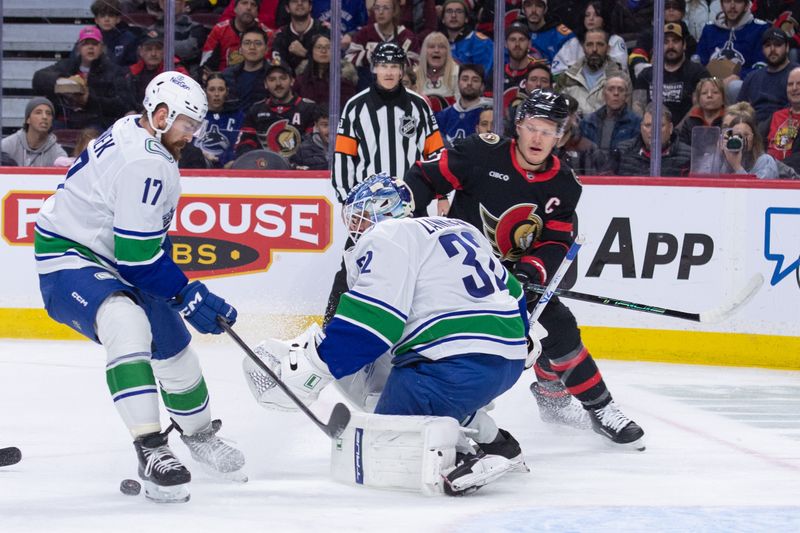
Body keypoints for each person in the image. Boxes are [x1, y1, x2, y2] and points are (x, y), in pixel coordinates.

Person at [33, 71, 246, 503]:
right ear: (162, 115)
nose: (192, 134)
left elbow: (138, 248)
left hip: (111, 254)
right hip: (71, 256)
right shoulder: (146, 161)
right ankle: (150, 449)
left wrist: (179, 297)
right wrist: (188, 293)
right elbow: (138, 258)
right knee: (127, 324)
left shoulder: (136, 125)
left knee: (172, 347)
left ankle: (199, 436)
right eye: (187, 123)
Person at [248, 173, 530, 495]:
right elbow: (515, 292)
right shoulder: (460, 228)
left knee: (387, 445)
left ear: (385, 210)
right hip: (503, 361)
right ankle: (496, 440)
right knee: (395, 375)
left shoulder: (387, 235)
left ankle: (469, 458)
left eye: (361, 216)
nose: (356, 226)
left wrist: (313, 367)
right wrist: (524, 334)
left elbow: (374, 323)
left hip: (452, 367)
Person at [403, 89, 646, 449]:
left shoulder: (564, 185)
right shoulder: (481, 153)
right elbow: (424, 177)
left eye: (549, 131)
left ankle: (598, 407)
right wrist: (412, 226)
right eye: (533, 127)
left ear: (560, 136)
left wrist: (532, 271)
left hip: (512, 282)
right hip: (454, 274)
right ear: (518, 125)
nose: (538, 138)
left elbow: (555, 241)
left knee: (558, 326)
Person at [326, 41, 444, 323]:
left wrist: (441, 194)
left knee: (421, 270)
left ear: (403, 70)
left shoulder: (419, 106)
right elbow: (343, 158)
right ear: (374, 68)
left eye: (394, 66)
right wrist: (348, 202)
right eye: (384, 65)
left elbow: (436, 152)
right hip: (369, 208)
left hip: (412, 204)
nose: (389, 71)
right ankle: (331, 325)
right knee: (351, 269)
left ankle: (423, 325)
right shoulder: (355, 108)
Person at [32, 26, 133, 130]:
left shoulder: (114, 71)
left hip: (98, 122)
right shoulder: (67, 66)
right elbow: (38, 78)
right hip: (66, 120)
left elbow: (122, 104)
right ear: (79, 48)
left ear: (101, 48)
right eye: (85, 44)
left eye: (94, 44)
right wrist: (62, 82)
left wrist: (89, 100)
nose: (90, 47)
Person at [234, 58, 318, 159]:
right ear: (265, 84)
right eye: (272, 79)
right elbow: (244, 143)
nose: (278, 84)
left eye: (283, 78)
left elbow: (314, 145)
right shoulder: (256, 110)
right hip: (264, 167)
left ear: (292, 81)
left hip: (299, 168)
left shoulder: (309, 108)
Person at [633, 22, 709, 124]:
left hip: (684, 135)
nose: (670, 46)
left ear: (684, 45)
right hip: (651, 133)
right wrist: (647, 129)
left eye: (675, 41)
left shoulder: (698, 73)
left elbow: (699, 107)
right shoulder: (646, 75)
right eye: (665, 42)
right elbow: (637, 107)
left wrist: (675, 132)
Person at [555, 28, 630, 116]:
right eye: (589, 44)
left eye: (600, 44)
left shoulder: (622, 78)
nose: (594, 49)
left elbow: (627, 117)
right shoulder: (567, 77)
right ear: (583, 48)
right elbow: (558, 114)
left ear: (608, 48)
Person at [736, 27, 799, 125]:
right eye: (768, 45)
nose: (772, 49)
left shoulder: (797, 74)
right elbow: (738, 110)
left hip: (787, 127)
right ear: (763, 49)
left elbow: (795, 109)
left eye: (777, 45)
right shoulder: (752, 77)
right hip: (753, 130)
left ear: (787, 48)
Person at [696, 0, 769, 83]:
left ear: (747, 6)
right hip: (711, 84)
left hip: (743, 85)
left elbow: (761, 66)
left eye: (738, 1)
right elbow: (700, 62)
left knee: (735, 87)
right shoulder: (709, 29)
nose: (732, 6)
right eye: (727, 1)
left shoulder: (759, 28)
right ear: (722, 5)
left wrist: (739, 77)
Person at [551, 0, 628, 76]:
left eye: (596, 15)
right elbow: (557, 70)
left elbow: (619, 67)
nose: (591, 18)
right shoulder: (573, 42)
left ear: (604, 19)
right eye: (587, 15)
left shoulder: (615, 40)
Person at [614, 103, 692, 176]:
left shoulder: (689, 156)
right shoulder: (622, 151)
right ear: (641, 128)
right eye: (648, 125)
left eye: (660, 125)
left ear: (670, 128)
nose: (654, 131)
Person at [200, 0, 273, 74]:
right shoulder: (219, 30)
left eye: (253, 5)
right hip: (222, 80)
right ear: (234, 8)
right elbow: (205, 65)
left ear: (257, 12)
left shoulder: (267, 34)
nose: (249, 8)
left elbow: (270, 68)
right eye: (244, 3)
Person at [292, 33, 358, 111]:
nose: (323, 51)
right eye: (319, 47)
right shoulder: (301, 80)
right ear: (311, 51)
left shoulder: (344, 81)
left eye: (328, 47)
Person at [714, 102, 780, 178]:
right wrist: (718, 154)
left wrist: (737, 167)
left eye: (745, 135)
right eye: (736, 135)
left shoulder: (765, 161)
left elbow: (757, 189)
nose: (740, 139)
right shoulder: (724, 157)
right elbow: (704, 178)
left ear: (754, 137)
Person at [127, 30, 189, 106]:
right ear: (140, 51)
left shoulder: (176, 72)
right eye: (149, 49)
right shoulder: (131, 73)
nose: (153, 54)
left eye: (158, 48)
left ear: (165, 50)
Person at [580, 75, 641, 153]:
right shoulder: (588, 122)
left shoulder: (636, 123)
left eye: (621, 90)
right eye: (611, 89)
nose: (616, 93)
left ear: (626, 96)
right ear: (603, 95)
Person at [435, 64, 493, 145]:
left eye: (475, 80)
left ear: (482, 86)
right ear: (458, 83)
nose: (469, 83)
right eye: (465, 79)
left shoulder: (489, 114)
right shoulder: (443, 115)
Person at [194, 73, 243, 168]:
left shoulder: (238, 116)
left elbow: (240, 146)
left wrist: (231, 161)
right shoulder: (195, 115)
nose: (216, 94)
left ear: (227, 92)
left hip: (231, 168)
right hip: (199, 166)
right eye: (212, 90)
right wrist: (200, 155)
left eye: (221, 90)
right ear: (205, 91)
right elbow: (187, 145)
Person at [1, 97, 67, 167]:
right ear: (28, 119)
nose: (45, 117)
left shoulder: (57, 153)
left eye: (48, 113)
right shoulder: (8, 145)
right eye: (38, 112)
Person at [271, 0, 331, 73]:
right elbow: (277, 62)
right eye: (294, 1)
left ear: (310, 7)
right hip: (289, 81)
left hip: (321, 80)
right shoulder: (280, 35)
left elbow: (336, 62)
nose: (299, 3)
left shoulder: (325, 30)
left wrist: (305, 53)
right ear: (287, 8)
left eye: (304, 0)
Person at [439, 0, 494, 79]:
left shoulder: (481, 42)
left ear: (466, 18)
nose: (453, 15)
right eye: (449, 11)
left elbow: (483, 76)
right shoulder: (437, 43)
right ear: (443, 19)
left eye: (459, 11)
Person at [222, 28, 271, 113]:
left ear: (266, 49)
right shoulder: (227, 75)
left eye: (258, 43)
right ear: (240, 50)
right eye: (247, 43)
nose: (252, 47)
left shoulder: (273, 75)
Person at [519, 0, 574, 64]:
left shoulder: (562, 35)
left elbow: (573, 67)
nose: (533, 10)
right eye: (528, 5)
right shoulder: (515, 33)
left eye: (539, 5)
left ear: (545, 9)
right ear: (523, 9)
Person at [676, 76, 726, 145]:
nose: (709, 95)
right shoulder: (689, 122)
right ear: (698, 99)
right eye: (704, 93)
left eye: (715, 92)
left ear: (723, 98)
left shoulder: (730, 120)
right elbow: (682, 148)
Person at [413, 31, 460, 104]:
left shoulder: (457, 73)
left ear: (447, 52)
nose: (436, 50)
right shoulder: (414, 74)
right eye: (431, 47)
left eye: (441, 47)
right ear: (424, 52)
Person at [91, 0, 140, 67]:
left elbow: (133, 67)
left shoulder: (129, 39)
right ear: (96, 20)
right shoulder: (88, 38)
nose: (107, 19)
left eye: (111, 16)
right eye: (102, 16)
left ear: (118, 19)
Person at [766, 66, 800, 161]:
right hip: (770, 168)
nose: (794, 88)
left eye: (799, 84)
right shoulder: (777, 115)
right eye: (790, 84)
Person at [290, 104, 330, 169]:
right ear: (316, 125)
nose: (330, 130)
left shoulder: (348, 147)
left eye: (335, 124)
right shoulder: (302, 149)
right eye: (325, 125)